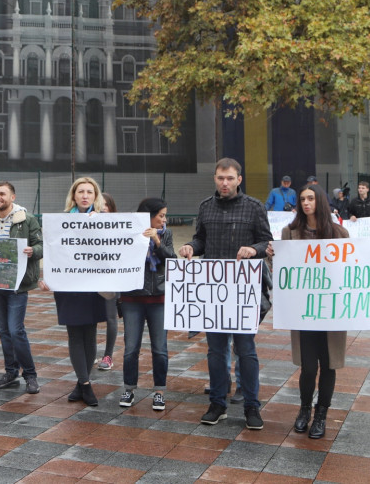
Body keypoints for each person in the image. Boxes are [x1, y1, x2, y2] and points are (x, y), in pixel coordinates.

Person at [178, 158, 272, 430]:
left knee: (246, 350)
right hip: (213, 292)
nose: (225, 183)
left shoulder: (254, 207)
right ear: (215, 178)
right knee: (216, 351)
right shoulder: (206, 206)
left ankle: (252, 406)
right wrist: (190, 247)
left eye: (230, 178)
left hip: (243, 291)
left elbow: (267, 242)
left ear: (239, 180)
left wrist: (254, 250)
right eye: (220, 178)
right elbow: (200, 239)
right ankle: (217, 403)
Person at [273, 184, 349, 439]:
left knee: (328, 365)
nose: (306, 203)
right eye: (302, 199)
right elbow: (282, 270)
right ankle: (304, 409)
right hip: (303, 310)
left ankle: (321, 414)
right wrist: (272, 255)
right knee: (307, 366)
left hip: (331, 310)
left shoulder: (339, 233)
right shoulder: (290, 232)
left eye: (311, 198)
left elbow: (353, 264)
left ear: (321, 202)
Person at [39, 176, 108, 407]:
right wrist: (46, 277)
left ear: (95, 196)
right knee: (75, 334)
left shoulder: (104, 221)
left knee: (90, 334)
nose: (85, 195)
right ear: (74, 195)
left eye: (90, 192)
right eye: (81, 192)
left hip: (92, 286)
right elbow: (51, 250)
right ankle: (86, 385)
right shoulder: (60, 221)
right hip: (68, 284)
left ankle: (81, 383)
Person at [0, 182, 42, 394]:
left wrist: (32, 250)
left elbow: (41, 245)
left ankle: (30, 375)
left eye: (2, 194)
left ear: (13, 197)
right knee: (3, 331)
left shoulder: (26, 220)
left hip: (18, 285)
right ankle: (11, 372)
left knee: (16, 330)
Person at [119, 198, 174, 411]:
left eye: (164, 215)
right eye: (161, 215)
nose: (164, 219)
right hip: (132, 298)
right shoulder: (130, 232)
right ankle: (129, 388)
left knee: (160, 348)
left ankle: (159, 391)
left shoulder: (166, 234)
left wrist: (158, 242)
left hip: (159, 297)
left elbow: (172, 259)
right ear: (148, 216)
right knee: (131, 348)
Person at [98, 193, 120, 371]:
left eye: (106, 204)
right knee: (88, 318)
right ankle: (90, 353)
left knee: (111, 317)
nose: (103, 207)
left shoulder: (119, 229)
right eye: (99, 204)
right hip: (90, 278)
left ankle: (108, 355)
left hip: (111, 279)